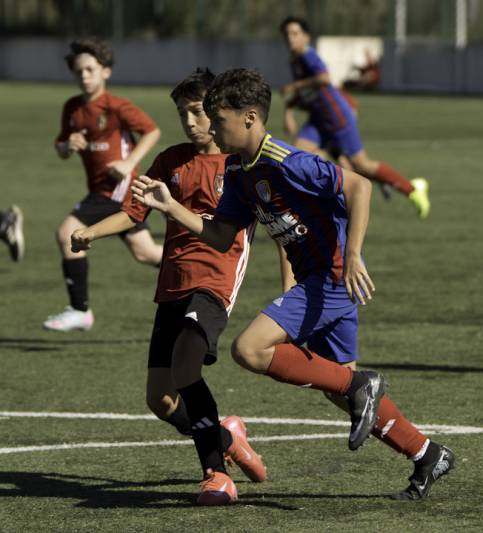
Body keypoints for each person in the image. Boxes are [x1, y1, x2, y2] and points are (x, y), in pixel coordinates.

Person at [133, 68, 455, 500]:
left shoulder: (287, 160)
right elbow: (220, 234)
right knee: (339, 391)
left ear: (249, 117)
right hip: (317, 281)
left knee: (250, 349)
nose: (210, 126)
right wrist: (171, 206)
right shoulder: (240, 170)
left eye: (217, 117)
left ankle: (361, 386)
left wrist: (354, 255)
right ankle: (428, 453)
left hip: (333, 280)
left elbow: (358, 186)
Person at [71, 69, 266, 506]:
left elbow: (262, 226)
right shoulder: (170, 160)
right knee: (160, 399)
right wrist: (92, 232)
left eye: (197, 112)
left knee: (186, 367)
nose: (190, 122)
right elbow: (134, 212)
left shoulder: (239, 165)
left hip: (214, 282)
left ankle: (216, 473)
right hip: (173, 284)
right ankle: (226, 436)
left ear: (218, 111)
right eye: (182, 114)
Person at [46, 37, 163, 332]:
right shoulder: (72, 108)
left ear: (105, 72)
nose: (84, 76)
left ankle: (79, 310)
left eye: (90, 69)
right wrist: (67, 145)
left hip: (118, 187)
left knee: (67, 233)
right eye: (79, 71)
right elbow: (61, 147)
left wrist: (128, 163)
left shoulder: (116, 106)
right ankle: (200, 263)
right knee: (145, 252)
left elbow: (151, 131)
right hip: (100, 188)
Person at [279, 16, 431, 219]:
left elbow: (324, 78)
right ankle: (312, 212)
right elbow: (307, 93)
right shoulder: (295, 59)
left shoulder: (308, 55)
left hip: (336, 117)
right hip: (318, 120)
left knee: (361, 165)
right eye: (287, 34)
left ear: (306, 37)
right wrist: (288, 111)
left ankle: (413, 190)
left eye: (295, 33)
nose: (291, 38)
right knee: (296, 158)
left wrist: (293, 88)